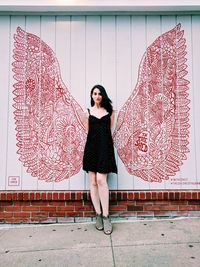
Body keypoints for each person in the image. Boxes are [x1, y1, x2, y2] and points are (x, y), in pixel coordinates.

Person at [83, 84, 117, 235]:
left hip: (105, 149)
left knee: (102, 180)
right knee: (93, 182)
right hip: (91, 149)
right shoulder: (87, 112)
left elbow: (110, 131)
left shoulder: (110, 112)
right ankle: (97, 214)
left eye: (99, 93)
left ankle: (106, 216)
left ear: (103, 95)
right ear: (91, 96)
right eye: (94, 93)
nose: (97, 96)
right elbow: (87, 132)